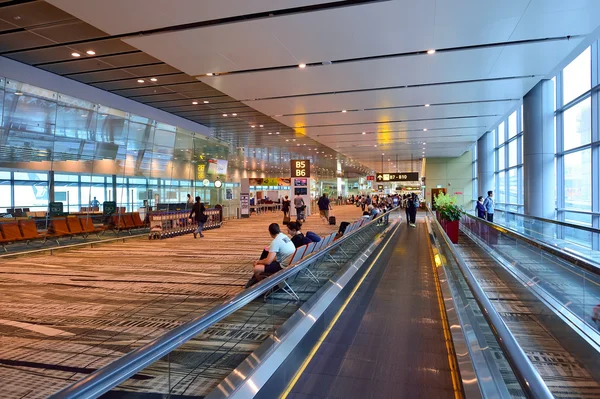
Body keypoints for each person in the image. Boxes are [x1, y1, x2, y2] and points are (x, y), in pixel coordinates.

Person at [245, 223, 296, 288]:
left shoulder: (275, 242)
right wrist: (262, 261)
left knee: (256, 268)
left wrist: (258, 262)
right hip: (290, 263)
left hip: (283, 266)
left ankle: (263, 287)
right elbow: (275, 258)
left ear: (270, 232)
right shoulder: (284, 236)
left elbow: (268, 261)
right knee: (263, 262)